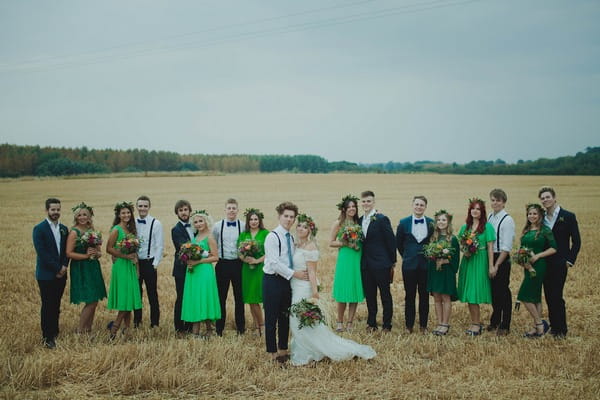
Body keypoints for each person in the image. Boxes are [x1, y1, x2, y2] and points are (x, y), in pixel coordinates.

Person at [290, 213, 376, 366]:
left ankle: (312, 349)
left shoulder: (310, 247)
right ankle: (303, 346)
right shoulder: (295, 245)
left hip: (304, 288)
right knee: (295, 319)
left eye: (305, 227)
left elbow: (312, 272)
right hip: (294, 286)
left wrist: (315, 293)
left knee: (301, 318)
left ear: (310, 231)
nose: (301, 229)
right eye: (299, 226)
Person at [262, 202, 308, 363]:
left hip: (286, 282)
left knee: (284, 317)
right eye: (286, 216)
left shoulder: (291, 237)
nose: (289, 219)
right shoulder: (272, 237)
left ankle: (283, 350)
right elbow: (274, 263)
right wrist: (295, 274)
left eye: (292, 217)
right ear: (279, 216)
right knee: (271, 318)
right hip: (272, 281)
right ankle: (272, 353)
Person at [539, 186, 581, 338]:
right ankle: (554, 327)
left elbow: (576, 241)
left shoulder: (568, 216)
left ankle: (561, 329)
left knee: (557, 296)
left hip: (560, 263)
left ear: (554, 197)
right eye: (542, 198)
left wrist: (569, 260)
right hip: (544, 263)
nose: (545, 200)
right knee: (549, 295)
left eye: (547, 197)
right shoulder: (541, 218)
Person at [32, 198, 69, 349]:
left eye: (58, 210)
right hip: (46, 275)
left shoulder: (64, 229)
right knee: (48, 304)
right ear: (47, 210)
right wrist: (57, 268)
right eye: (53, 210)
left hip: (62, 273)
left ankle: (54, 330)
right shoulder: (39, 229)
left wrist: (65, 266)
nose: (56, 213)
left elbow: (67, 251)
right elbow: (42, 253)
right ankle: (47, 337)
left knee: (57, 303)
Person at [516, 203, 557, 337]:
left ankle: (540, 324)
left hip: (539, 266)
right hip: (527, 266)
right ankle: (537, 327)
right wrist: (522, 261)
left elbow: (553, 248)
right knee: (535, 297)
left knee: (524, 295)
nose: (532, 216)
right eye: (529, 214)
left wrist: (538, 256)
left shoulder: (545, 230)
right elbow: (522, 249)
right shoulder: (526, 230)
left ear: (540, 215)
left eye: (534, 214)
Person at [66, 202, 107, 334]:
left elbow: (99, 252)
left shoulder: (92, 232)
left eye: (85, 215)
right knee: (90, 300)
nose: (82, 217)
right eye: (79, 215)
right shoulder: (74, 232)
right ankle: (80, 330)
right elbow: (69, 253)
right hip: (81, 268)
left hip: (93, 267)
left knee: (94, 300)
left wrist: (96, 253)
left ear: (89, 216)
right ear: (76, 217)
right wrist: (85, 256)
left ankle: (88, 329)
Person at [456, 198, 495, 336]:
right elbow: (461, 244)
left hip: (480, 260)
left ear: (482, 211)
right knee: (469, 293)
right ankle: (474, 323)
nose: (475, 211)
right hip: (468, 261)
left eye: (478, 209)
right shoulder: (465, 227)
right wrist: (465, 250)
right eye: (473, 208)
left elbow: (490, 248)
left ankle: (477, 324)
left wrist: (491, 266)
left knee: (474, 293)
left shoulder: (487, 227)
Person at [359, 190, 397, 333]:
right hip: (366, 264)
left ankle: (387, 324)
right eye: (363, 201)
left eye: (368, 201)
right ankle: (372, 322)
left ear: (373, 202)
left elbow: (391, 241)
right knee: (370, 295)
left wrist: (392, 261)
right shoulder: (359, 220)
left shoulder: (381, 219)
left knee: (385, 295)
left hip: (381, 264)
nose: (366, 203)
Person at [396, 195, 434, 334]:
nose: (419, 207)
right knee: (409, 295)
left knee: (424, 296)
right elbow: (398, 243)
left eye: (422, 205)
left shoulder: (431, 223)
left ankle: (423, 326)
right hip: (409, 265)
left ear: (425, 207)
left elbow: (433, 242)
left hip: (426, 265)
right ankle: (409, 325)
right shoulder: (404, 222)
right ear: (412, 205)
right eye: (416, 204)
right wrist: (407, 256)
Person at [106, 201, 142, 339]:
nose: (126, 215)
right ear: (119, 215)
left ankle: (127, 331)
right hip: (121, 266)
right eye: (123, 213)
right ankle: (114, 329)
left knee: (130, 298)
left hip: (131, 266)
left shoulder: (130, 229)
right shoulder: (116, 229)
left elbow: (134, 252)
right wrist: (125, 256)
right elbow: (109, 249)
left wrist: (137, 267)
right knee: (126, 298)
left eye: (128, 213)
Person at [181, 211, 221, 337]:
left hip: (204, 272)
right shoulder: (195, 237)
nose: (198, 224)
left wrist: (198, 261)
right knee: (195, 298)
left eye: (200, 221)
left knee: (204, 297)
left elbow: (215, 257)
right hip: (193, 273)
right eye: (196, 222)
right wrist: (188, 260)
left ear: (206, 221)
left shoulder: (210, 237)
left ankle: (208, 330)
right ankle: (198, 331)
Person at [330, 194, 364, 332]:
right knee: (343, 291)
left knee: (354, 291)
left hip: (357, 258)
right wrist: (346, 243)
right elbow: (331, 242)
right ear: (343, 209)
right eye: (349, 207)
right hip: (345, 259)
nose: (352, 209)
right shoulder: (338, 223)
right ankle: (339, 322)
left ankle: (350, 322)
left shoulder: (359, 223)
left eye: (354, 206)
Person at [212, 198, 245, 336]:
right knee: (221, 297)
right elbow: (213, 242)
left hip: (238, 264)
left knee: (239, 298)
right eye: (229, 208)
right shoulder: (217, 226)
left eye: (234, 208)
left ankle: (241, 328)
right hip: (223, 264)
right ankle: (219, 328)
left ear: (237, 210)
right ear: (225, 210)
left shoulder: (243, 226)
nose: (231, 210)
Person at [486, 188, 515, 336]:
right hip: (490, 256)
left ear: (503, 202)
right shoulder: (490, 216)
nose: (495, 203)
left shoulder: (507, 220)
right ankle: (495, 319)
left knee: (503, 291)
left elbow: (507, 246)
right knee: (494, 291)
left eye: (498, 200)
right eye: (493, 200)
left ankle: (505, 324)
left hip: (501, 258)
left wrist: (496, 265)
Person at [426, 210, 459, 336]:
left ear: (448, 222)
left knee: (445, 297)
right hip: (435, 271)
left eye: (443, 220)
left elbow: (455, 259)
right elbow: (429, 253)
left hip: (446, 272)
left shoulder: (453, 239)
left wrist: (445, 260)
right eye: (439, 220)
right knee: (437, 298)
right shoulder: (433, 238)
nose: (441, 222)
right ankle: (439, 323)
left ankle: (445, 324)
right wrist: (433, 257)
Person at [133, 195, 164, 328]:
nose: (143, 208)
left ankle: (155, 323)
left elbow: (159, 245)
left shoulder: (156, 223)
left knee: (152, 294)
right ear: (136, 207)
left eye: (145, 206)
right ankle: (137, 321)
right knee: (136, 293)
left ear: (149, 207)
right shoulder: (132, 222)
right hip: (135, 263)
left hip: (149, 262)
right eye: (140, 206)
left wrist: (155, 264)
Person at [238, 208, 269, 336]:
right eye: (251, 219)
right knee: (250, 299)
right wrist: (246, 259)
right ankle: (257, 327)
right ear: (248, 221)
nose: (253, 221)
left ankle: (263, 326)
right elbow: (239, 251)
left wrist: (256, 261)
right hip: (247, 270)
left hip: (260, 269)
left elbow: (269, 252)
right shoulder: (243, 234)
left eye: (256, 219)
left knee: (257, 297)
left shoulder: (266, 233)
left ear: (260, 220)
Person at [171, 199, 194, 336]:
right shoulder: (176, 230)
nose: (184, 212)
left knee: (192, 297)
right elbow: (184, 248)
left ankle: (190, 326)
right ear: (177, 213)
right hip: (181, 269)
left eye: (185, 209)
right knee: (181, 298)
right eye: (181, 210)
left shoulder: (196, 226)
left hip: (195, 268)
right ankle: (179, 328)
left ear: (189, 211)